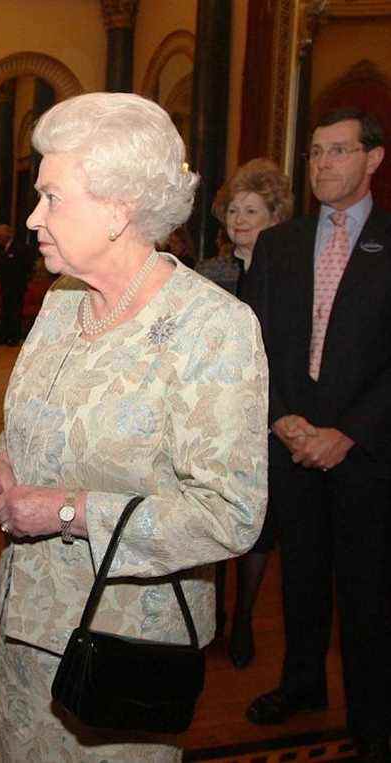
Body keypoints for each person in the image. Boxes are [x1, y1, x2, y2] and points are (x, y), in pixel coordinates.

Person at [0, 92, 268, 762]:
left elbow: (231, 513)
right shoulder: (60, 300)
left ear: (117, 208)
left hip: (123, 650)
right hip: (26, 630)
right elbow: (31, 420)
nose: (31, 216)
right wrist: (4, 464)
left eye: (51, 196)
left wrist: (71, 510)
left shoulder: (213, 329)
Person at [241, 108, 391, 762]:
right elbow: (252, 345)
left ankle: (372, 715)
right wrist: (281, 418)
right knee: (299, 579)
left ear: (373, 159)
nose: (323, 164)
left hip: (367, 450)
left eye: (338, 150)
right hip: (291, 441)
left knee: (367, 588)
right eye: (314, 153)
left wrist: (348, 433)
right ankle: (301, 685)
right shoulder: (279, 244)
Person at [202, 158, 294, 669]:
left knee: (261, 522)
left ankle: (243, 620)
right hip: (217, 411)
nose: (239, 219)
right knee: (212, 509)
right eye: (234, 209)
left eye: (251, 210)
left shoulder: (290, 272)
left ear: (274, 215)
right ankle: (211, 613)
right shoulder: (210, 271)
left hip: (272, 412)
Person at [0, 223, 33, 345]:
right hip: (5, 286)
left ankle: (14, 338)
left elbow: (26, 267)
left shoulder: (19, 248)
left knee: (15, 313)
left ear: (7, 234)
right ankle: (3, 337)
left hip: (17, 287)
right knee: (6, 312)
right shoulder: (2, 249)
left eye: (0, 235)